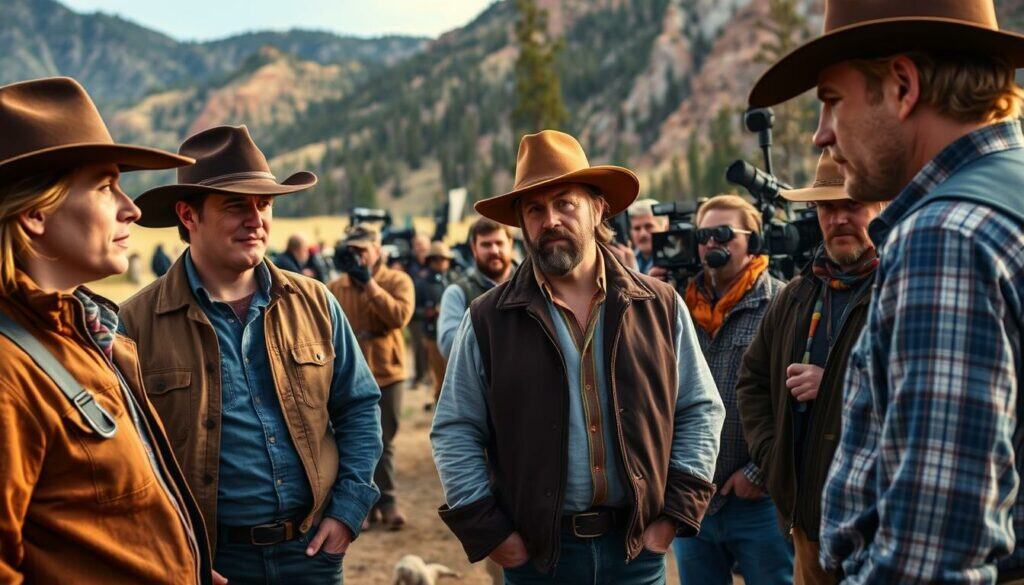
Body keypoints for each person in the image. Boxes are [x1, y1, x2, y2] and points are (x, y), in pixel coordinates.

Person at [750, 0, 1024, 580]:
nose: (822, 133)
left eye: (832, 99)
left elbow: (930, 548)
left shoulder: (944, 237)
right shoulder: (1006, 198)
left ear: (902, 86)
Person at [431, 129, 724, 584]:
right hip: (538, 560)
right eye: (534, 209)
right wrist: (492, 532)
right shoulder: (488, 319)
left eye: (564, 203)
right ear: (522, 223)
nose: (549, 220)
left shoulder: (658, 305)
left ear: (597, 208)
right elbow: (455, 427)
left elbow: (700, 408)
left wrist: (672, 518)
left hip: (636, 554)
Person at [119, 124, 383, 585]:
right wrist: (173, 549)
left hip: (312, 551)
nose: (256, 219)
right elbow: (128, 459)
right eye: (236, 205)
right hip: (211, 561)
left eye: (264, 204)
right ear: (188, 215)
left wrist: (348, 511)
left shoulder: (315, 302)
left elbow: (359, 407)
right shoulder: (136, 323)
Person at [0, 76, 215, 584]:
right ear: (35, 213)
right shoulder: (10, 371)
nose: (131, 208)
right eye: (104, 186)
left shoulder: (85, 335)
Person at [736, 152, 882, 585]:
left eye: (851, 204)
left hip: (881, 527)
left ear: (881, 206)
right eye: (826, 207)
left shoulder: (902, 288)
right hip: (809, 530)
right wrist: (773, 458)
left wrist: (835, 384)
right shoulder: (797, 295)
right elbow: (752, 382)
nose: (838, 219)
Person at [673, 194, 792, 585]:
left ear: (752, 241)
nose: (711, 242)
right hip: (692, 497)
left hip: (757, 501)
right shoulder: (675, 304)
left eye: (724, 233)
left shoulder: (781, 302)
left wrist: (759, 473)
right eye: (704, 235)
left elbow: (792, 401)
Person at [328, 224, 414, 532]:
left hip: (388, 370)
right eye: (351, 250)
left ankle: (387, 503)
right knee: (353, 440)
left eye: (362, 250)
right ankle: (363, 506)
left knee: (384, 441)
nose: (357, 256)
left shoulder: (397, 280)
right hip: (351, 374)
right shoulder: (336, 287)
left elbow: (399, 317)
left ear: (377, 250)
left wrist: (370, 285)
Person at [437, 217, 515, 359]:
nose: (494, 250)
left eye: (499, 243)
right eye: (486, 244)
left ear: (510, 244)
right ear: (474, 248)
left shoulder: (532, 284)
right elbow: (449, 345)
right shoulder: (457, 292)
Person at [415, 241, 455, 404]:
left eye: (444, 259)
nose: (441, 263)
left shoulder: (453, 279)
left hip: (455, 334)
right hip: (433, 335)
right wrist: (429, 311)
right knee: (440, 377)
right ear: (430, 261)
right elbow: (414, 310)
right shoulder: (422, 283)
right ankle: (441, 406)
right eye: (437, 259)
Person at [407, 233, 432, 387]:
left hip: (431, 311)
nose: (420, 247)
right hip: (414, 312)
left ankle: (430, 375)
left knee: (431, 345)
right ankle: (419, 376)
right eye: (417, 244)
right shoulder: (409, 265)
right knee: (418, 345)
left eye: (423, 244)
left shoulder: (434, 263)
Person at [627, 198, 668, 275]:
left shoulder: (674, 260)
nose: (643, 234)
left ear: (664, 227)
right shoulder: (626, 260)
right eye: (637, 228)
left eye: (649, 226)